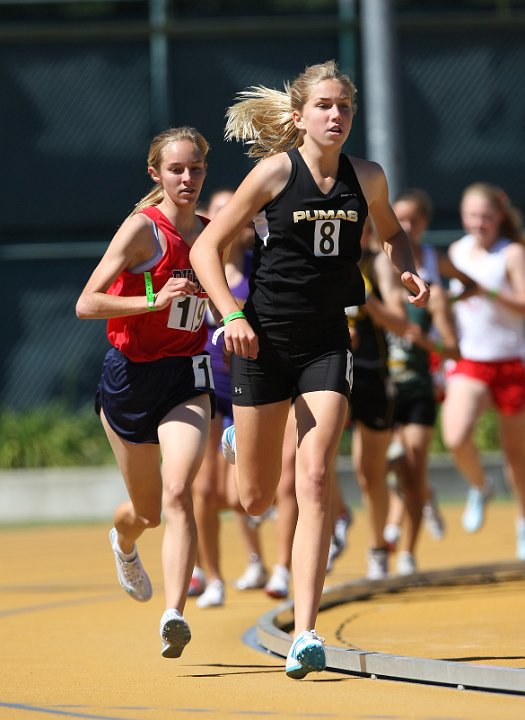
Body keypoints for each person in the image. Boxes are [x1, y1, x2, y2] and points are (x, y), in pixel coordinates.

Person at [189, 60, 429, 679]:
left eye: (344, 106)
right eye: (324, 106)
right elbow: (206, 248)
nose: (336, 115)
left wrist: (404, 266)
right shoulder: (274, 173)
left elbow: (392, 233)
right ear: (298, 117)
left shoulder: (367, 177)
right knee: (254, 498)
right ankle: (243, 442)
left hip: (328, 341)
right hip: (261, 343)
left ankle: (305, 631)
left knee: (316, 475)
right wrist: (232, 314)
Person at [75, 126, 215, 659]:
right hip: (130, 378)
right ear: (156, 174)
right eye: (176, 169)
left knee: (181, 491)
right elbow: (87, 304)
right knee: (148, 511)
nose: (187, 178)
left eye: (196, 169)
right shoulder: (142, 230)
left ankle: (174, 613)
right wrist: (154, 300)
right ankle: (125, 542)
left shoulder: (209, 232)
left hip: (186, 375)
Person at [191, 188, 268, 608]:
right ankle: (212, 576)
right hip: (205, 383)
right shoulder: (197, 265)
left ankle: (257, 558)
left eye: (234, 211)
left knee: (239, 491)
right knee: (202, 489)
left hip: (248, 382)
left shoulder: (260, 266)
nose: (228, 219)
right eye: (218, 211)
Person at [441, 183, 525, 559]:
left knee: (516, 453)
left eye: (486, 216)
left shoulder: (512, 253)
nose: (479, 223)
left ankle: (522, 523)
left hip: (511, 359)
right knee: (456, 435)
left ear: (500, 217)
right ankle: (480, 486)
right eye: (473, 215)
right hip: (471, 359)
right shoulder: (456, 252)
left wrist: (485, 292)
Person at [383, 190, 460, 575]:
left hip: (416, 389)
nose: (407, 227)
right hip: (382, 388)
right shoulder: (375, 273)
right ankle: (404, 518)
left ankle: (407, 551)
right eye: (400, 219)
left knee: (411, 464)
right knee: (393, 465)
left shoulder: (436, 291)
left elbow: (453, 349)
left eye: (414, 219)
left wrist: (425, 340)